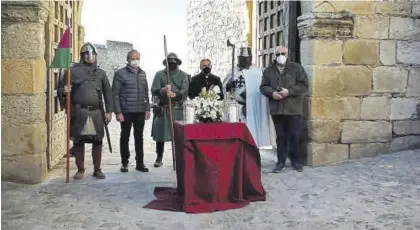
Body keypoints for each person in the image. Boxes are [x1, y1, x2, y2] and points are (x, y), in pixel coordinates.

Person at [58, 42, 114, 180]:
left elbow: (108, 93)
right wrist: (64, 91)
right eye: (88, 54)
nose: (91, 56)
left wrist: (109, 111)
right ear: (82, 56)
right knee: (78, 142)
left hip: (96, 112)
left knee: (97, 141)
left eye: (93, 54)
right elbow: (60, 89)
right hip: (80, 112)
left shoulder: (100, 73)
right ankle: (80, 169)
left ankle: (97, 169)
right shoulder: (72, 72)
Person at [260, 47, 309, 173]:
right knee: (281, 137)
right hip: (277, 109)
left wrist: (289, 91)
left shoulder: (297, 68)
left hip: (293, 108)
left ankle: (296, 161)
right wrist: (272, 93)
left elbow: (304, 86)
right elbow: (263, 87)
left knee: (294, 135)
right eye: (278, 54)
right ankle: (280, 161)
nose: (280, 55)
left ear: (287, 54)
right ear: (274, 55)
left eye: (283, 53)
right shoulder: (268, 71)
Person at [223, 46, 274, 148]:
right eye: (243, 59)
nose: (246, 61)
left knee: (252, 134)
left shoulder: (257, 72)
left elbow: (260, 88)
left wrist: (250, 94)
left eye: (248, 58)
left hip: (253, 107)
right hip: (238, 107)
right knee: (239, 134)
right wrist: (228, 86)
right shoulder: (233, 72)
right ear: (239, 59)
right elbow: (224, 87)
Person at [112, 49, 151, 173]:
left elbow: (146, 92)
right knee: (125, 136)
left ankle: (140, 163)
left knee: (139, 137)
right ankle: (124, 163)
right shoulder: (120, 74)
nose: (135, 61)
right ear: (128, 59)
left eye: (138, 58)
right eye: (133, 58)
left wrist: (147, 109)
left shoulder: (142, 74)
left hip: (140, 110)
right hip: (126, 111)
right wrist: (118, 112)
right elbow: (115, 94)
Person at [150, 53, 190, 167]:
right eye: (170, 61)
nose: (172, 63)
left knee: (178, 135)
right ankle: (159, 157)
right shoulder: (159, 75)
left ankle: (180, 158)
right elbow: (154, 89)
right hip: (164, 108)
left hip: (177, 108)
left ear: (178, 62)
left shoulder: (183, 75)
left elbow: (185, 91)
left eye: (174, 61)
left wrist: (175, 94)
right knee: (161, 135)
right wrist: (162, 90)